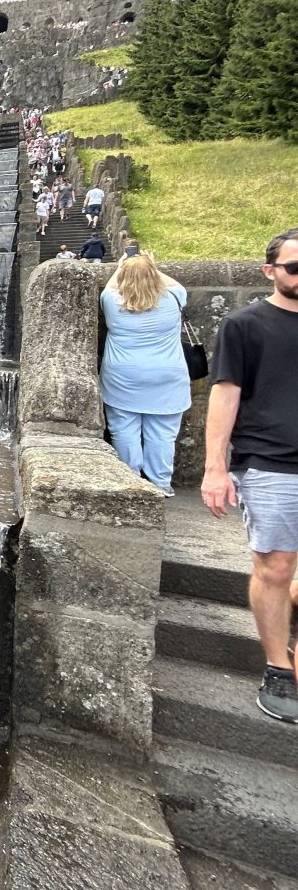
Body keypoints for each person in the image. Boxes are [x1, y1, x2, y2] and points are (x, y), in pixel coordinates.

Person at [201, 228, 298, 724]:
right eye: (294, 267)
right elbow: (224, 395)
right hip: (270, 461)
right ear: (270, 271)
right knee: (276, 567)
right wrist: (215, 468)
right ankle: (279, 666)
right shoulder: (243, 325)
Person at [99, 253, 190, 498]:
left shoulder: (111, 301)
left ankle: (130, 481)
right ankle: (160, 483)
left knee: (123, 429)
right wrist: (149, 265)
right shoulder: (174, 298)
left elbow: (109, 285)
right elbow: (175, 284)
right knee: (162, 433)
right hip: (167, 377)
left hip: (123, 377)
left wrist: (122, 267)